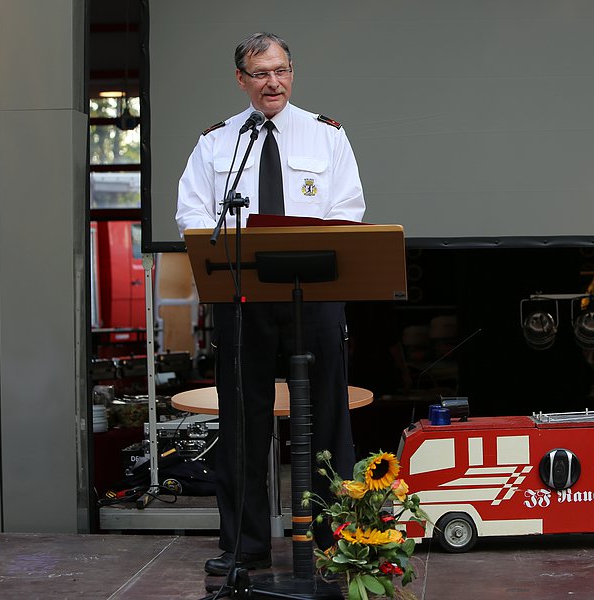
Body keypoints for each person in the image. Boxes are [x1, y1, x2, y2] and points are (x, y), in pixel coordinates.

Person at [175, 32, 365, 576]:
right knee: (241, 422)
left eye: (280, 70)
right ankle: (244, 546)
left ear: (292, 73)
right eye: (259, 74)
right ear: (241, 80)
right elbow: (190, 214)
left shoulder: (325, 135)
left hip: (315, 294)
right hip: (242, 296)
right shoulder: (218, 144)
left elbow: (349, 209)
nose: (272, 82)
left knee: (330, 417)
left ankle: (335, 542)